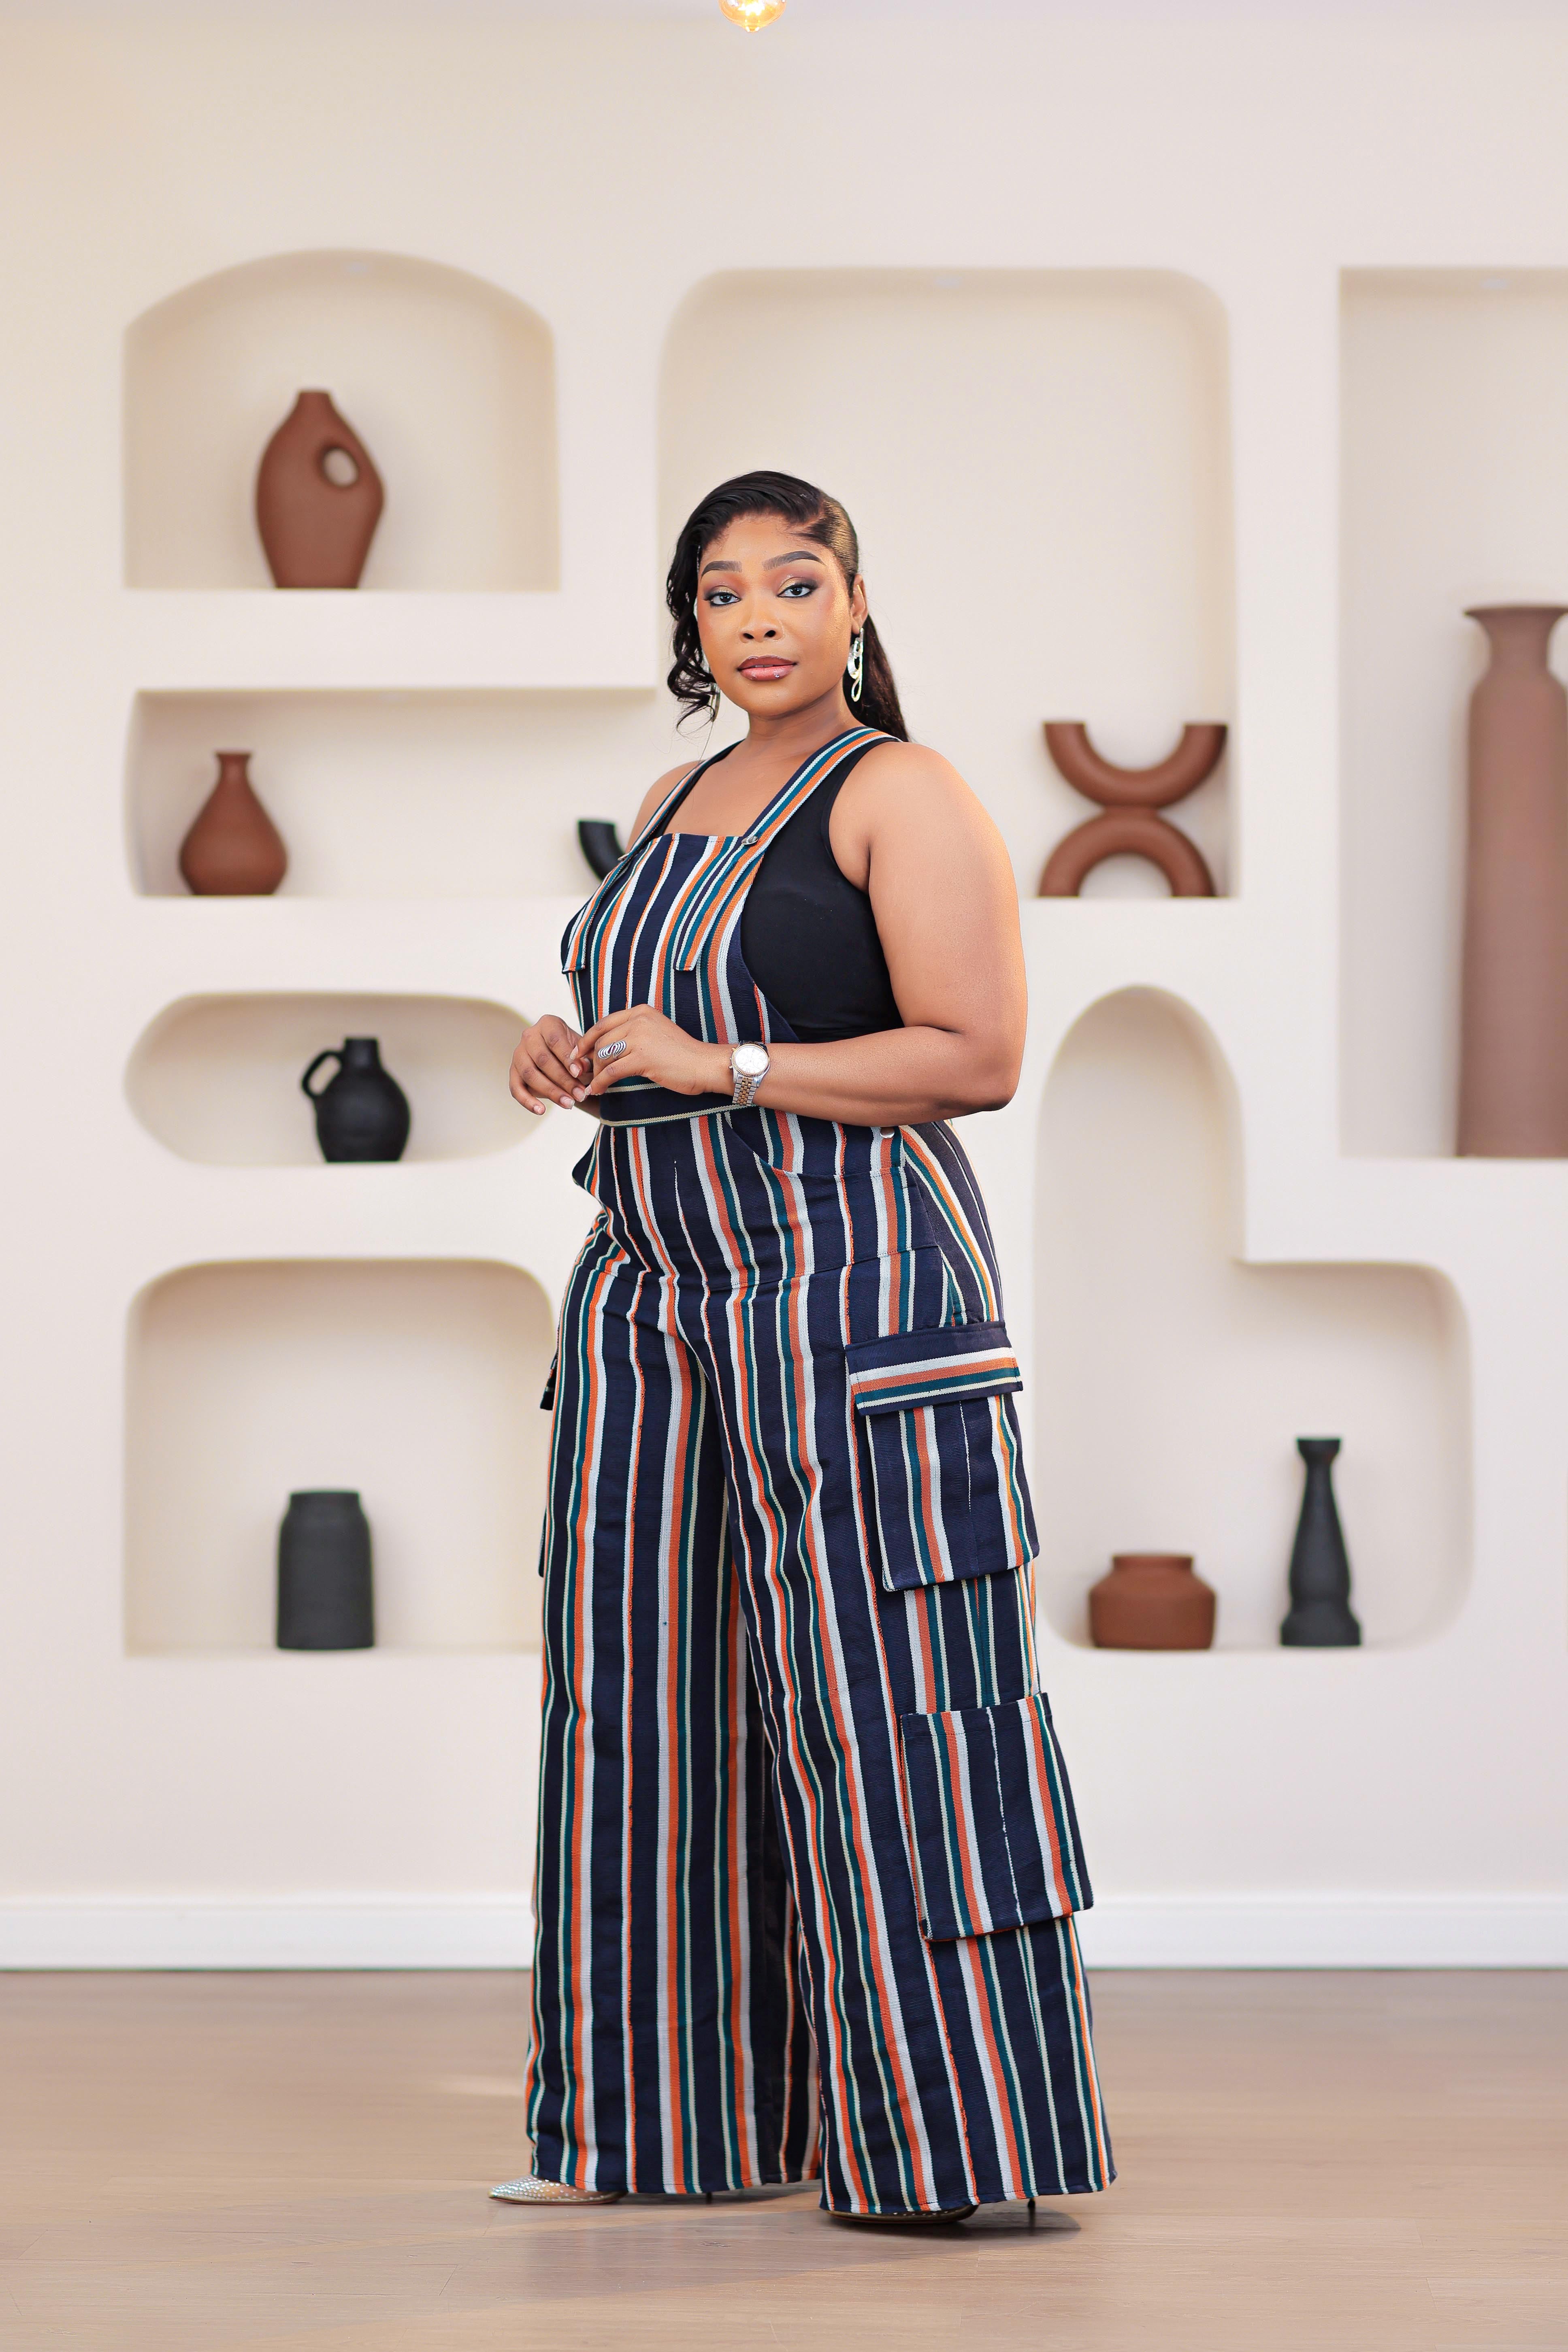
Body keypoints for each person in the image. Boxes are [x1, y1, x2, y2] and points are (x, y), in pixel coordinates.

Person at [494, 471, 1112, 2224]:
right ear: (687, 626)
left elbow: (974, 1052)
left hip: (850, 1294)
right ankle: (654, 2135)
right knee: (636, 1704)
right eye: (719, 592)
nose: (756, 616)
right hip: (651, 1293)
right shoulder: (671, 793)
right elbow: (667, 1035)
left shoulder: (898, 791)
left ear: (852, 605)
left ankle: (945, 2150)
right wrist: (580, 1051)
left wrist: (725, 1070)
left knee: (887, 1701)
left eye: (793, 581)